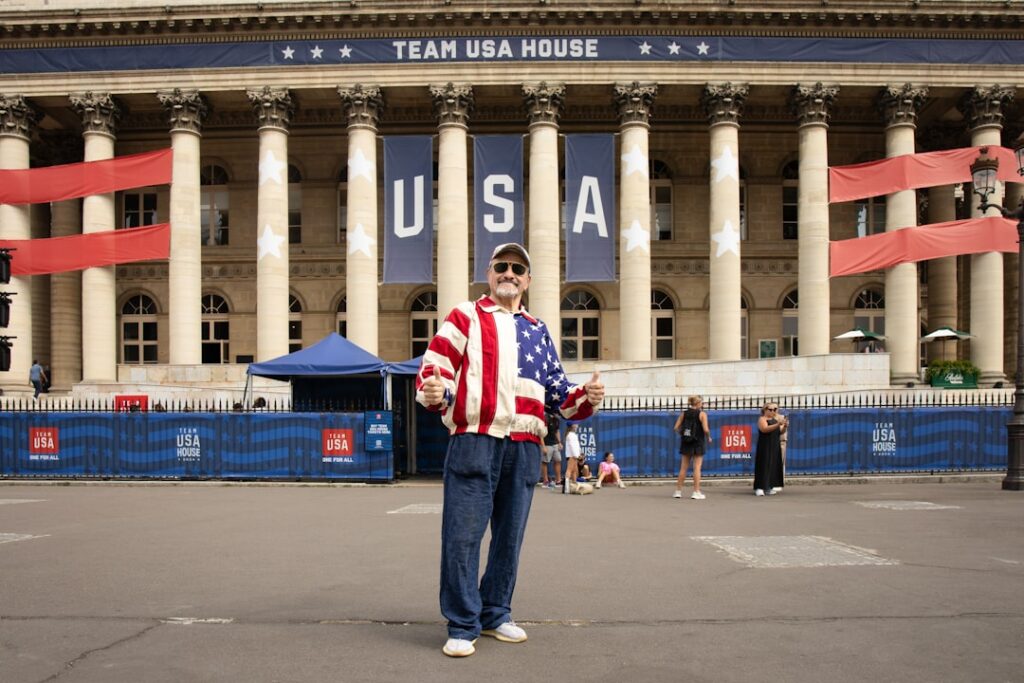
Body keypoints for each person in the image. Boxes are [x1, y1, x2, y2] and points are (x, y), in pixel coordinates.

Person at [416, 242, 605, 658]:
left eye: (517, 268)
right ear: (488, 273)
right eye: (501, 266)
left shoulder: (537, 330)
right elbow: (436, 368)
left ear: (528, 280)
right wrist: (436, 390)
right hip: (474, 439)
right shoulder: (465, 316)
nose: (509, 273)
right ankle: (463, 623)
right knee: (462, 537)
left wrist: (586, 395)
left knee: (508, 538)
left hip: (523, 444)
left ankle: (495, 613)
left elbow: (559, 393)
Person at [672, 395, 712, 499]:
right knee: (697, 467)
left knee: (683, 468)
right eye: (702, 402)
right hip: (698, 442)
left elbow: (675, 427)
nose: (702, 404)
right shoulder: (702, 414)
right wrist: (709, 437)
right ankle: (696, 491)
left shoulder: (684, 414)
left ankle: (678, 491)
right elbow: (706, 429)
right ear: (698, 403)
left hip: (686, 442)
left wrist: (683, 434)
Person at [753, 402, 788, 496]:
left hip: (774, 445)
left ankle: (769, 487)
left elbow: (780, 431)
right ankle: (759, 487)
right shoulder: (762, 419)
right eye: (771, 409)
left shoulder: (775, 420)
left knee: (773, 466)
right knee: (763, 466)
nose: (773, 411)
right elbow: (764, 429)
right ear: (765, 410)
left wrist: (784, 426)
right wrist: (778, 425)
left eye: (775, 409)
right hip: (765, 446)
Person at [540, 412, 563, 489]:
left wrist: (559, 442)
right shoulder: (545, 418)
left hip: (555, 444)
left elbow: (557, 431)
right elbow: (541, 433)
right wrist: (543, 446)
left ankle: (558, 480)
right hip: (546, 444)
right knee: (545, 462)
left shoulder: (556, 419)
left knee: (558, 460)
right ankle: (545, 481)